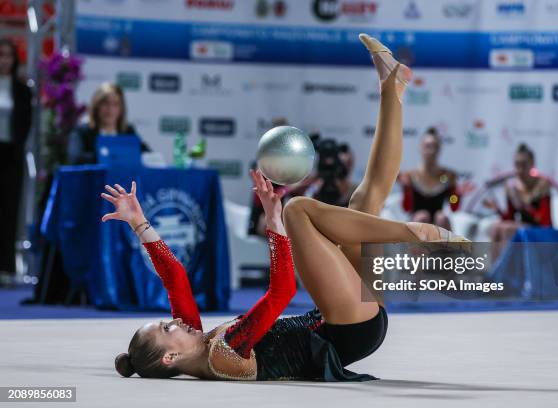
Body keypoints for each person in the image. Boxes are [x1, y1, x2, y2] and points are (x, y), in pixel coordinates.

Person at [103, 34, 468, 381]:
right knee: (297, 211)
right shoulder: (221, 354)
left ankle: (392, 87)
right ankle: (415, 234)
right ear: (171, 358)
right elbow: (280, 293)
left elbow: (175, 278)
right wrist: (275, 220)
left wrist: (139, 223)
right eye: (167, 329)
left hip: (342, 321)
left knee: (364, 201)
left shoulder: (195, 342)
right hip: (344, 329)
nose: (174, 322)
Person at [484, 143, 552, 259]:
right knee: (496, 228)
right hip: (521, 226)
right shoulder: (512, 187)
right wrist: (497, 210)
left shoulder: (542, 185)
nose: (520, 170)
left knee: (508, 229)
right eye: (517, 165)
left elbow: (544, 221)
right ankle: (495, 271)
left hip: (540, 229)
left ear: (532, 164)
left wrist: (523, 206)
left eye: (524, 165)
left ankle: (507, 272)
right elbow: (510, 218)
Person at [0, 38, 32, 285]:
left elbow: (25, 124)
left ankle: (7, 268)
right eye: (1, 55)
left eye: (8, 56)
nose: (4, 60)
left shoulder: (21, 89)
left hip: (11, 155)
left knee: (10, 211)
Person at [398, 127, 472, 229]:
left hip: (439, 220)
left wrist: (457, 195)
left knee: (442, 218)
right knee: (422, 216)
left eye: (435, 147)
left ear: (440, 149)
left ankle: (444, 245)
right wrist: (406, 190)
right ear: (420, 147)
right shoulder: (410, 175)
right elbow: (406, 208)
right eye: (428, 146)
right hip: (417, 219)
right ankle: (418, 245)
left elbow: (453, 207)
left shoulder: (448, 175)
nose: (432, 151)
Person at [68, 82, 149, 164]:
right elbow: (76, 159)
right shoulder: (82, 132)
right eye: (105, 103)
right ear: (96, 106)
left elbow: (149, 156)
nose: (110, 109)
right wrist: (111, 156)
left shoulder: (128, 131)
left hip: (124, 177)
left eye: (115, 104)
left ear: (121, 109)